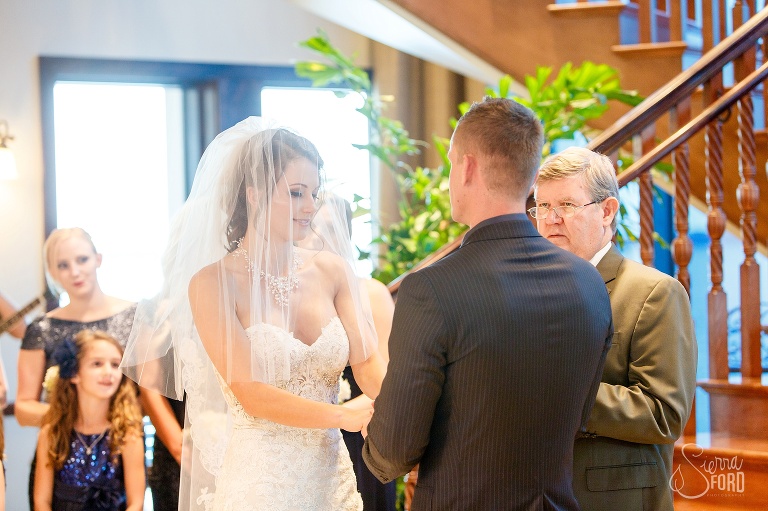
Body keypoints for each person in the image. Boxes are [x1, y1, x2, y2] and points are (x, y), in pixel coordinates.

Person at [122, 118, 387, 511]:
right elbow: (251, 393)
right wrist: (342, 415)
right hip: (262, 481)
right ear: (254, 194)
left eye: (314, 193)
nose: (311, 207)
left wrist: (408, 417)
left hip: (333, 478)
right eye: (297, 193)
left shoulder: (333, 270)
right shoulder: (213, 282)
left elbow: (367, 363)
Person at [362, 97, 614, 510]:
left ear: (467, 168)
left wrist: (372, 442)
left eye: (450, 165)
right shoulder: (588, 282)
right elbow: (581, 415)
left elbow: (395, 449)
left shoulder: (431, 289)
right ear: (531, 175)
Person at [533, 146, 697, 511]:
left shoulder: (655, 293)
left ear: (606, 211)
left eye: (567, 205)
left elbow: (664, 414)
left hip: (611, 498)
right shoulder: (525, 293)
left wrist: (561, 392)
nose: (550, 219)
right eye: (542, 207)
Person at [16, 227, 136, 508]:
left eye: (82, 259)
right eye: (63, 265)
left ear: (98, 259)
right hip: (60, 461)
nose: (75, 271)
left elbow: (152, 394)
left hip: (119, 456)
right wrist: (76, 420)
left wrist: (110, 424)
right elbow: (23, 407)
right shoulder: (42, 329)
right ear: (53, 273)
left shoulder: (135, 318)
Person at [33, 329, 144, 510]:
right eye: (97, 364)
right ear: (74, 373)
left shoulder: (127, 434)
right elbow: (41, 502)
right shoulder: (51, 433)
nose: (108, 372)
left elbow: (136, 503)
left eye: (115, 365)